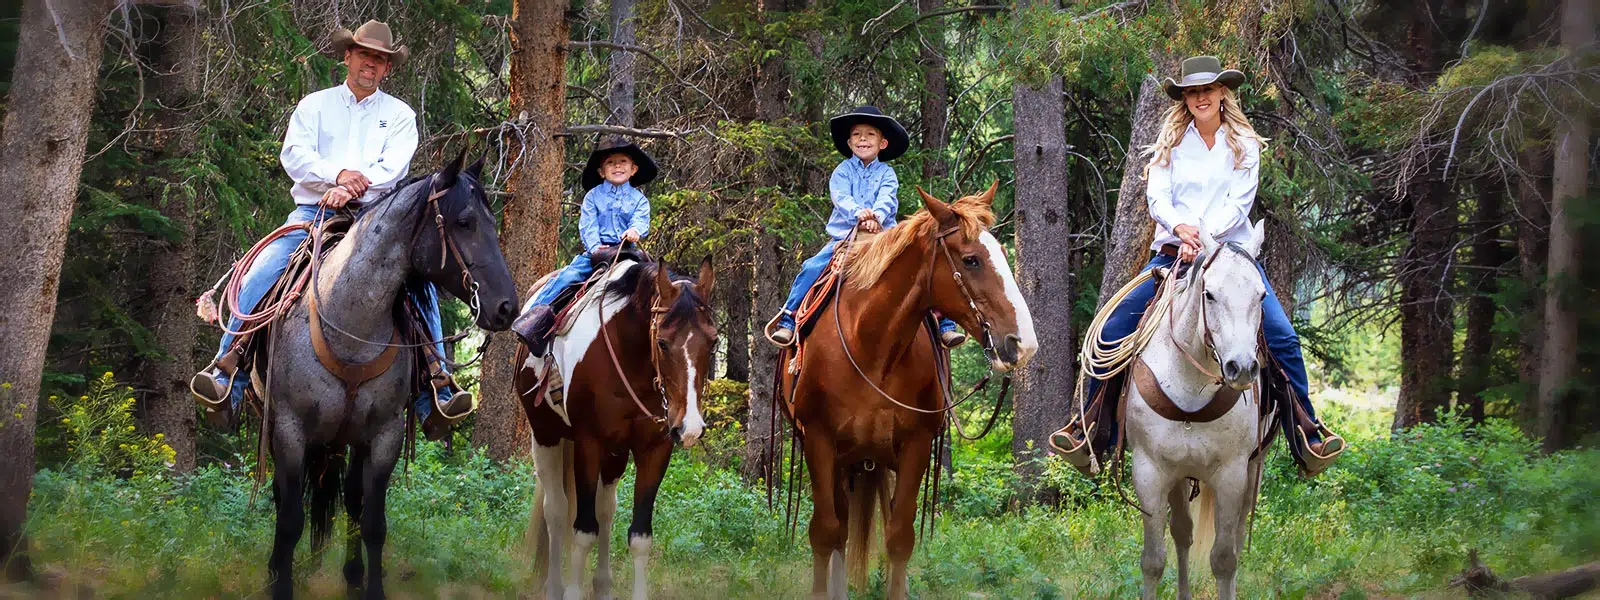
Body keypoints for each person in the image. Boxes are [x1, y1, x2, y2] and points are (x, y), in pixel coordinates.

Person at [1048, 56, 1344, 474]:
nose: (1200, 97)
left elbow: (1238, 206)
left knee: (1282, 339)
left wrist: (1201, 236)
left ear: (1223, 92)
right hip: (1172, 256)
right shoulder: (1169, 144)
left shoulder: (1244, 146)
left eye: (1207, 89)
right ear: (1184, 98)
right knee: (1111, 332)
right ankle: (1091, 431)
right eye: (1192, 91)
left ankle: (1307, 433)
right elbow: (1158, 199)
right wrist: (1181, 229)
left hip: (1230, 256)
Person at [190, 21, 469, 439]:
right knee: (264, 269)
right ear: (348, 56)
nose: (371, 64)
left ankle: (438, 388)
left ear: (387, 68)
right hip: (313, 210)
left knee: (420, 286)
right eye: (364, 55)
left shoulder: (399, 116)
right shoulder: (315, 105)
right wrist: (336, 177)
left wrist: (355, 186)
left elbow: (394, 168)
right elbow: (295, 155)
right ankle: (229, 373)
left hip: (376, 218)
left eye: (380, 59)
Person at [768, 106, 964, 348]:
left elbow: (887, 198)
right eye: (857, 135)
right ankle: (788, 318)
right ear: (849, 143)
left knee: (919, 268)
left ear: (882, 143)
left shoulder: (887, 173)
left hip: (883, 238)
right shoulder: (842, 171)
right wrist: (860, 214)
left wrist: (877, 217)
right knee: (812, 266)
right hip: (847, 237)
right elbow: (840, 197)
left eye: (870, 134)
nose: (863, 139)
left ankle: (944, 323)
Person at [512, 137, 658, 353]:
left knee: (656, 281)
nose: (617, 166)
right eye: (611, 162)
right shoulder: (593, 197)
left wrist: (635, 231)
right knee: (568, 277)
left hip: (628, 253)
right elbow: (588, 225)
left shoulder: (639, 200)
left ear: (634, 169)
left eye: (623, 161)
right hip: (598, 253)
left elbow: (640, 221)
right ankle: (534, 318)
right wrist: (595, 246)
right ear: (601, 172)